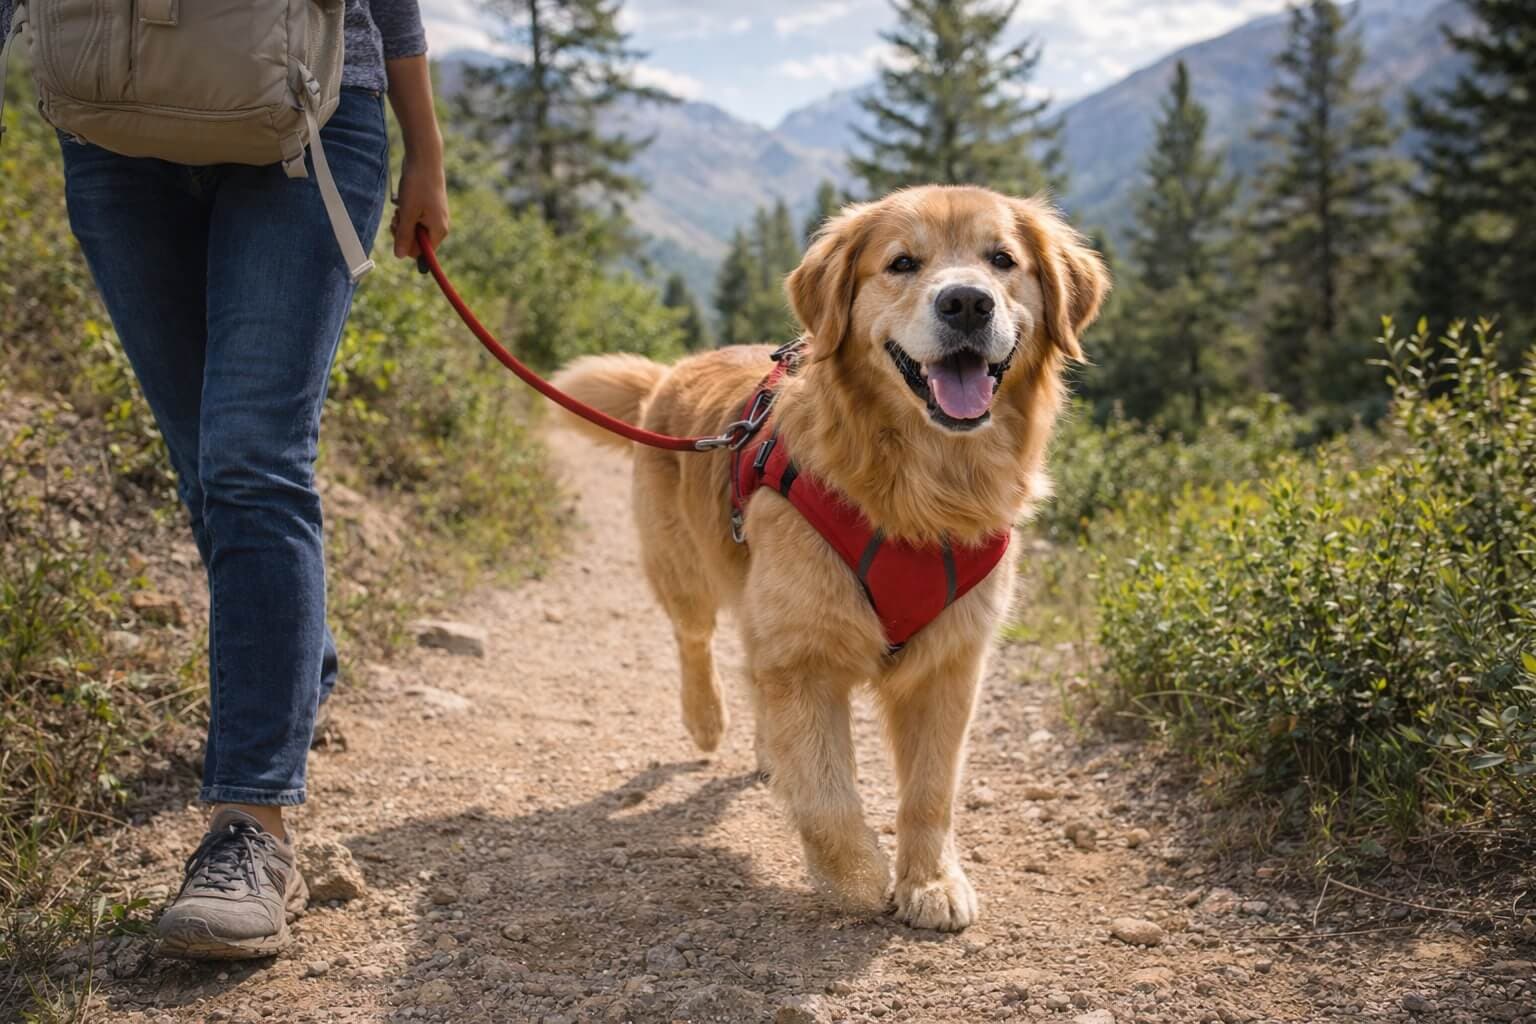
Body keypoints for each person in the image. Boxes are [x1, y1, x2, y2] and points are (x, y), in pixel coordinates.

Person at [0, 0, 451, 958]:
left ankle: (252, 828)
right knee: (206, 461)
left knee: (251, 461)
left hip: (310, 115)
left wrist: (425, 148)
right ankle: (295, 665)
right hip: (112, 118)